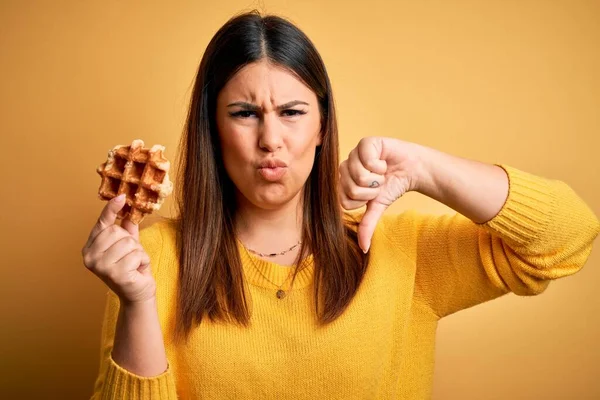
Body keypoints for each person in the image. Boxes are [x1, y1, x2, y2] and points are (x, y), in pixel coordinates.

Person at [82, 11, 600, 400]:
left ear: (322, 127)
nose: (271, 140)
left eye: (292, 111)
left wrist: (421, 167)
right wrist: (137, 303)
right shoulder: (151, 262)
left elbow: (568, 237)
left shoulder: (400, 251)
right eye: (243, 113)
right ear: (213, 132)